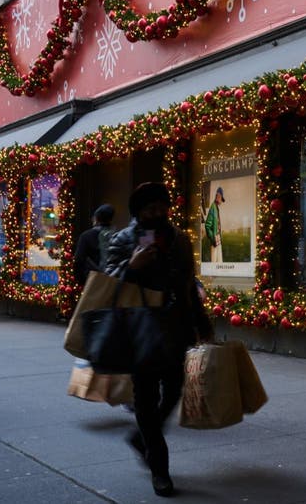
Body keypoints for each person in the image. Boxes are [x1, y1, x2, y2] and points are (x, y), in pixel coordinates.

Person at [105, 182, 212, 497]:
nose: (157, 214)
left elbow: (187, 283)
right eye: (150, 210)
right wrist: (132, 267)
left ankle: (141, 438)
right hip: (139, 329)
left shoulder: (178, 239)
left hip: (175, 326)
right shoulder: (123, 240)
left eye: (161, 208)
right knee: (146, 398)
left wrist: (201, 320)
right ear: (139, 213)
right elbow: (107, 283)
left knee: (176, 389)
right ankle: (160, 468)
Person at [73, 204, 115, 286]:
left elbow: (78, 261)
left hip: (91, 281)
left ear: (96, 219)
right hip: (111, 282)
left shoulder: (86, 236)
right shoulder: (116, 235)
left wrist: (81, 282)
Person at [203, 186, 225, 263]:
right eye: (221, 199)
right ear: (218, 196)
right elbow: (207, 225)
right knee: (215, 263)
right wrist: (213, 238)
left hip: (218, 238)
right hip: (215, 239)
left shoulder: (216, 208)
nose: (221, 201)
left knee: (219, 262)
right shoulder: (213, 207)